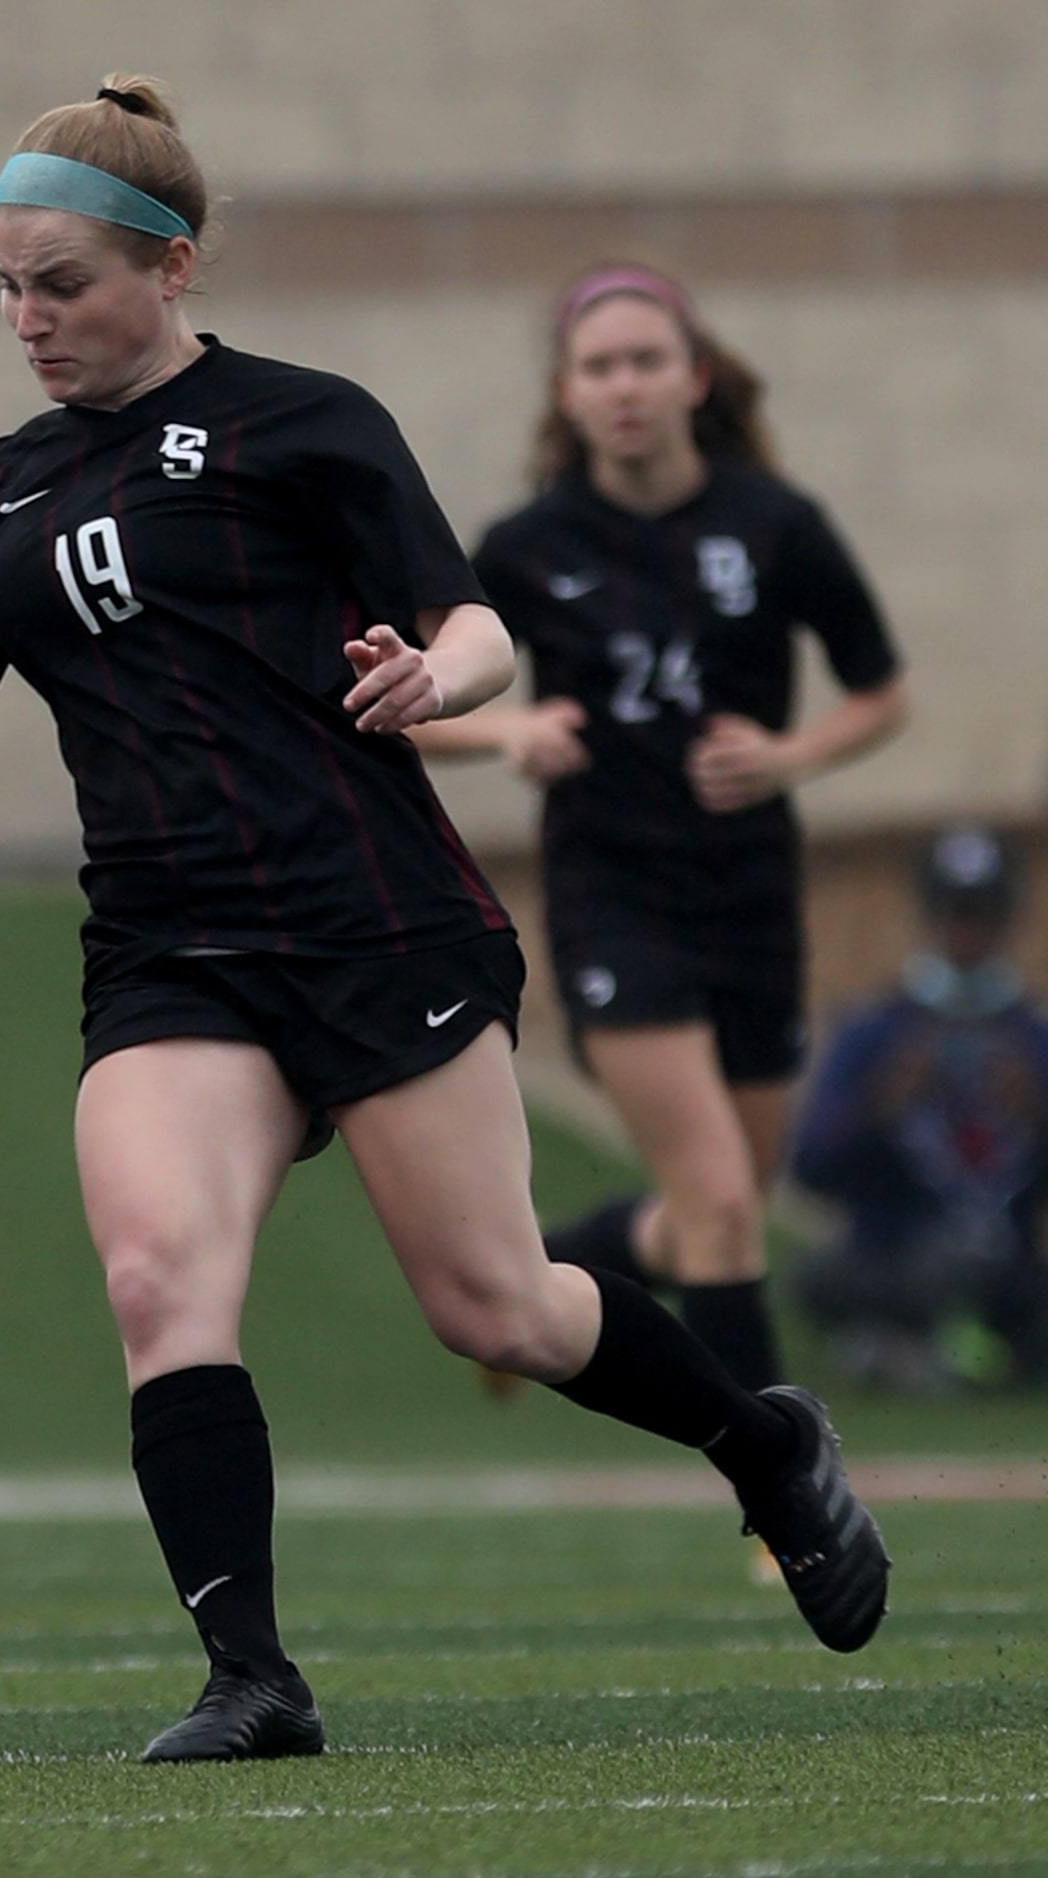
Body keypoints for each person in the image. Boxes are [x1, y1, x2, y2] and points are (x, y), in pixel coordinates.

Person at [0, 75, 892, 1763]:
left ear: (173, 263)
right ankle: (252, 1674)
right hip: (167, 950)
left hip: (371, 921)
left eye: (60, 283)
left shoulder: (307, 423)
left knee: (495, 1307)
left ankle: (758, 1439)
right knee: (159, 1279)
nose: (28, 319)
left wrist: (437, 670)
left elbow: (479, 625)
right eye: (4, 285)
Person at [410, 262, 909, 1402]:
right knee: (723, 1204)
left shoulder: (774, 525)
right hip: (612, 899)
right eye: (598, 367)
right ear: (566, 394)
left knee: (716, 1213)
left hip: (751, 897)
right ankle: (780, 1497)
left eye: (645, 361)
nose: (623, 385)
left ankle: (548, 1276)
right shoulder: (525, 545)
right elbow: (394, 704)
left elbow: (883, 691)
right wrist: (509, 732)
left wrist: (790, 756)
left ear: (694, 378)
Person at [790, 824, 1048, 1389]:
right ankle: (936, 1347)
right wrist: (883, 1103)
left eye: (982, 915)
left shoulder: (1033, 1037)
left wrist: (1036, 1113)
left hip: (1003, 1259)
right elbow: (811, 1166)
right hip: (895, 1256)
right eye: (956, 913)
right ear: (929, 917)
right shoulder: (874, 1030)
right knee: (819, 1278)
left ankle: (910, 1350)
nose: (968, 933)